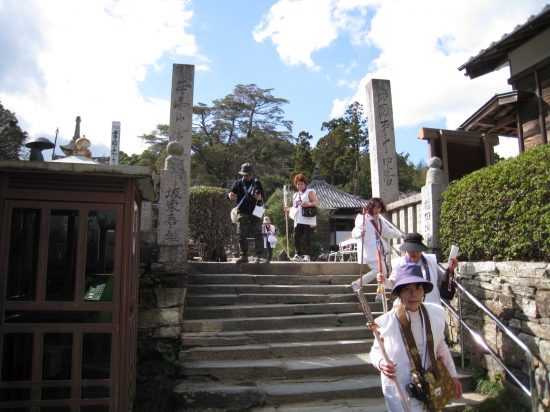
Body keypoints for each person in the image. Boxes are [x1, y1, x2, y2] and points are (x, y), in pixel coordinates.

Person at [370, 264, 463, 411]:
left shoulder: (435, 315)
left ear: (423, 291)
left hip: (429, 382)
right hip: (400, 385)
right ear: (398, 293)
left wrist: (453, 375)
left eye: (418, 288)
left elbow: (441, 346)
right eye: (407, 289)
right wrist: (381, 362)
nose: (414, 294)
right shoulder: (386, 322)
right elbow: (375, 350)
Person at [377, 233, 458, 305]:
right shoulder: (399, 263)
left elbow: (440, 278)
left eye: (416, 250)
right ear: (406, 251)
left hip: (430, 303)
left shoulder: (430, 261)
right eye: (410, 251)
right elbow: (392, 283)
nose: (413, 253)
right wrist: (383, 280)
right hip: (409, 304)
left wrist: (450, 269)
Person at [350, 197, 403, 295]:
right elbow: (354, 231)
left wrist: (401, 235)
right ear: (371, 207)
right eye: (375, 207)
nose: (377, 210)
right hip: (369, 249)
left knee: (382, 272)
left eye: (379, 208)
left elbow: (388, 232)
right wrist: (359, 233)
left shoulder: (379, 220)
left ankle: (380, 294)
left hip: (379, 249)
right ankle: (357, 284)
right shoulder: (364, 219)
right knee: (378, 270)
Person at [227, 163, 268, 264]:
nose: (248, 176)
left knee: (258, 233)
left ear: (252, 174)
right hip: (242, 211)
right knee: (241, 234)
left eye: (249, 174)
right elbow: (229, 193)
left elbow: (264, 198)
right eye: (245, 175)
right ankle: (243, 256)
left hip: (256, 210)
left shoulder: (258, 183)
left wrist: (260, 198)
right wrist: (229, 195)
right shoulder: (238, 183)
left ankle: (260, 256)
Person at [283, 173, 319, 262]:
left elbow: (316, 202)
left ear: (305, 184)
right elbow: (296, 207)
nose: (300, 186)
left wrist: (307, 204)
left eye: (301, 184)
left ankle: (307, 255)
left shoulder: (309, 192)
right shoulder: (295, 195)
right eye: (298, 184)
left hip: (308, 218)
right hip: (298, 219)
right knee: (296, 237)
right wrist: (289, 209)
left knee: (307, 238)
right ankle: (298, 254)